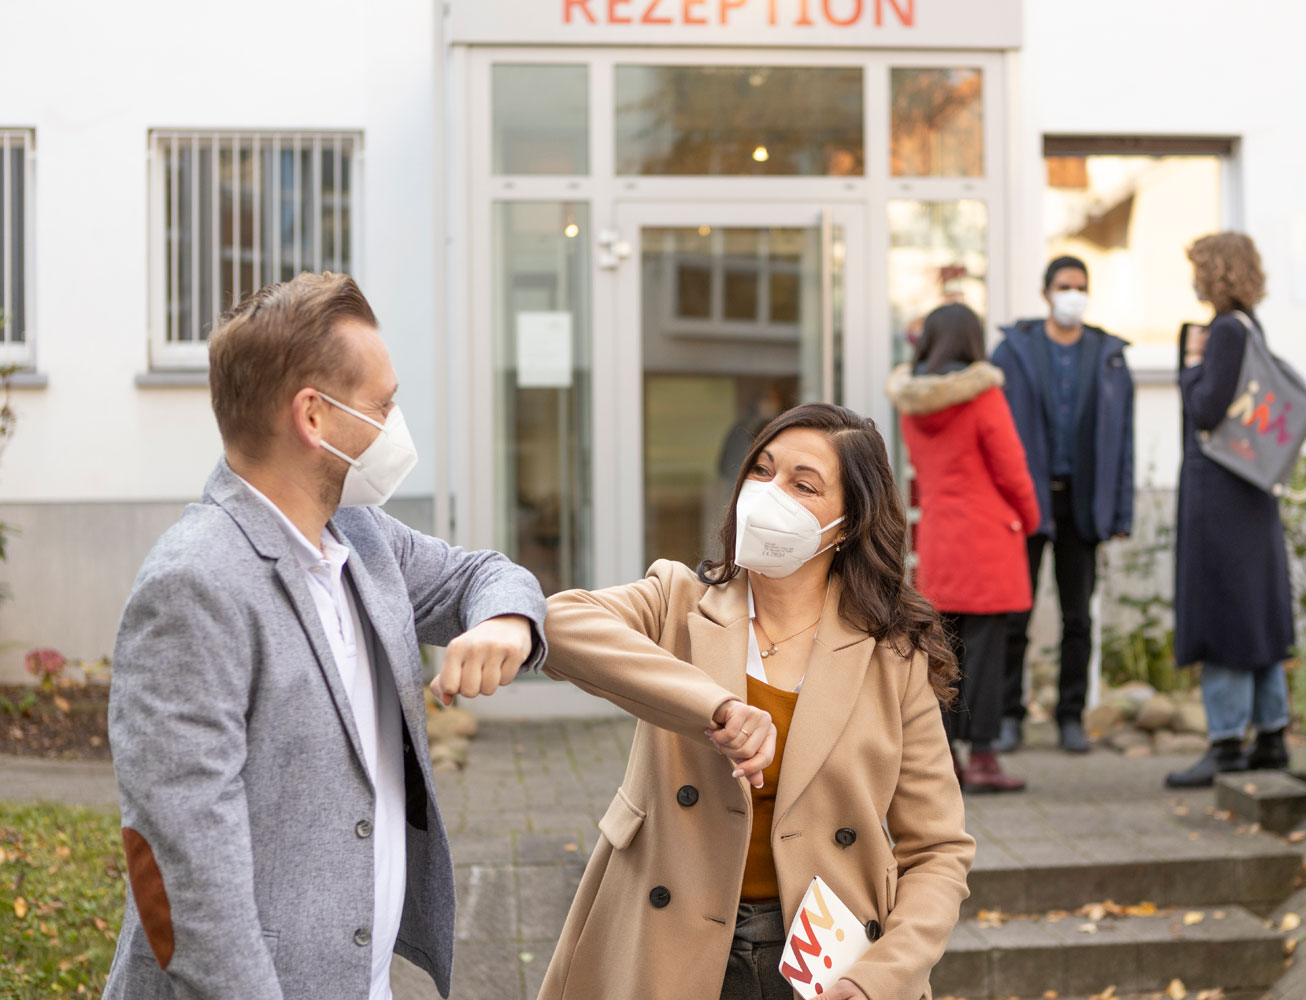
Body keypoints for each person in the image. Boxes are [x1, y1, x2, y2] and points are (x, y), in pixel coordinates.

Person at [104, 272, 547, 1000]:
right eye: (382, 405)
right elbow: (187, 879)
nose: (395, 424)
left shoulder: (359, 535)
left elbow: (484, 573)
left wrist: (505, 621)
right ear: (313, 416)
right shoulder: (194, 583)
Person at [538, 403, 975, 1000]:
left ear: (847, 524)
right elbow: (558, 623)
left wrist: (879, 976)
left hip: (827, 962)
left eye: (803, 485)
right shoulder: (678, 601)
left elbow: (938, 849)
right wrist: (714, 707)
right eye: (762, 471)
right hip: (666, 943)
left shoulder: (890, 655)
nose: (769, 494)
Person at [886, 302, 1039, 792]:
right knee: (988, 655)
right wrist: (1031, 518)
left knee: (942, 653)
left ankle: (946, 755)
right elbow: (1012, 468)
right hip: (988, 538)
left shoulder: (912, 405)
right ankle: (985, 760)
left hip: (939, 537)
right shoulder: (983, 397)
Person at [1165, 233, 1295, 788]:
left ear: (1216, 273)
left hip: (1219, 494)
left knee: (1220, 610)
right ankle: (1270, 737)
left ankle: (1225, 744)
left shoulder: (1222, 331)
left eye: (1199, 269)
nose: (1194, 279)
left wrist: (1190, 363)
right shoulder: (1250, 326)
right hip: (1252, 487)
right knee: (1255, 609)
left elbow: (1206, 409)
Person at [991, 256, 1135, 754]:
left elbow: (1124, 439)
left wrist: (1121, 510)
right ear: (1045, 292)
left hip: (1085, 500)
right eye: (1064, 286)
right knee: (1015, 615)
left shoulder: (1108, 354)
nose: (1073, 294)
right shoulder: (1015, 350)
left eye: (1081, 286)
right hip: (1025, 500)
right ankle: (1008, 715)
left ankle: (1070, 716)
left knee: (1078, 618)